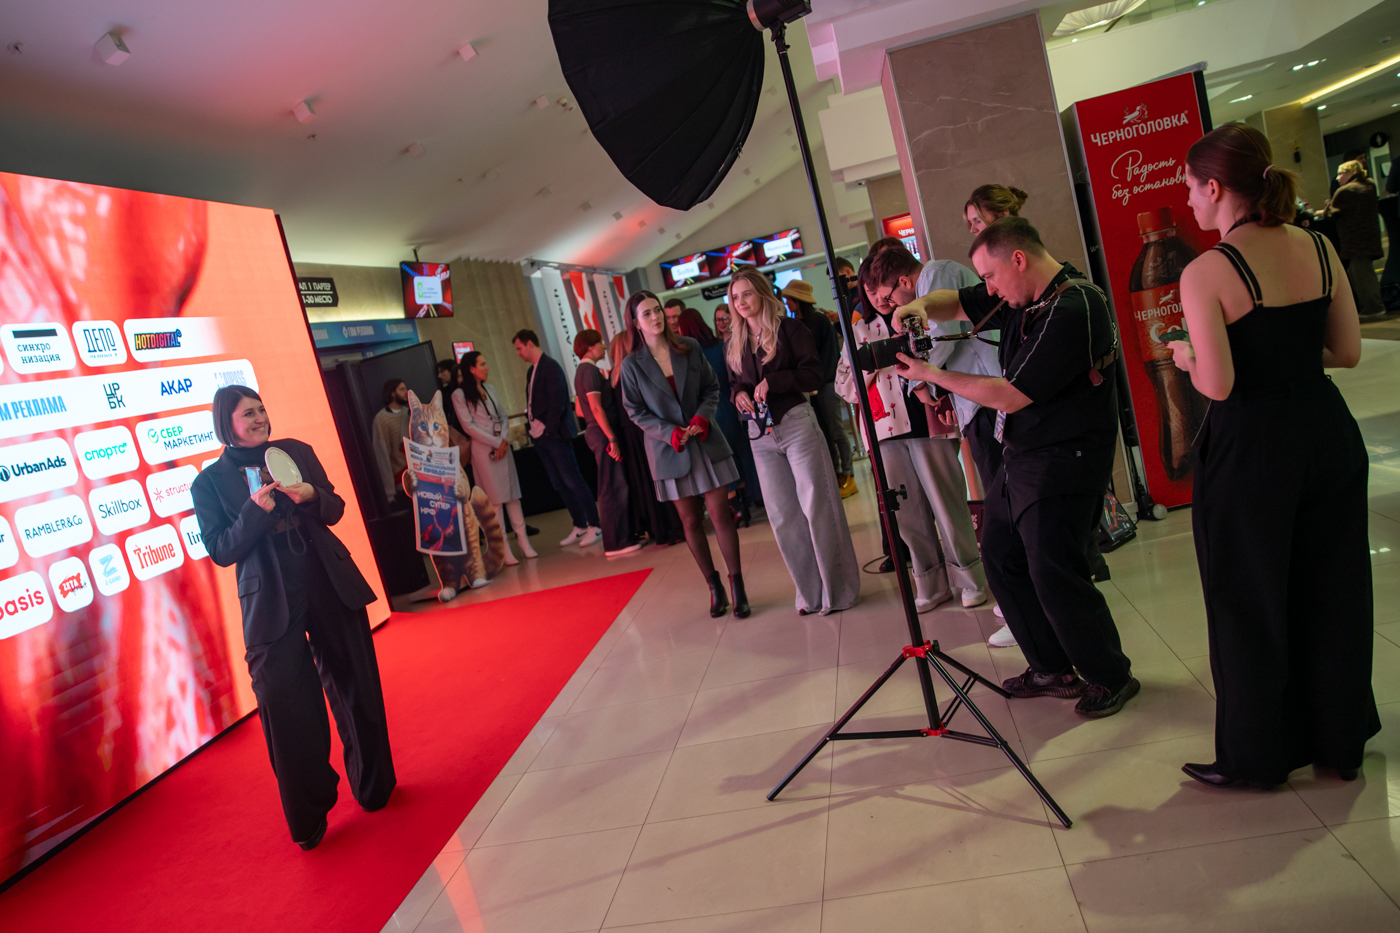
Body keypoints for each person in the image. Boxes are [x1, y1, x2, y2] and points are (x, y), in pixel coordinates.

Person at [1167, 123, 1376, 788]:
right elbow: (1347, 351)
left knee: (1248, 598)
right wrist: (1283, 354)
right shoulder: (1318, 245)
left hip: (1253, 448)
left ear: (1215, 187)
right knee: (1336, 590)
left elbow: (1219, 384)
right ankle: (1340, 742)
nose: (1188, 201)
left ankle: (1257, 757)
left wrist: (1187, 357)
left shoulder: (1207, 271)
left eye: (1190, 187)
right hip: (1326, 433)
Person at [893, 216, 1138, 718]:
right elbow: (958, 302)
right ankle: (1051, 667)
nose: (988, 287)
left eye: (990, 275)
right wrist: (919, 306)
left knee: (1054, 570)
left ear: (1019, 260)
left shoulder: (1073, 307)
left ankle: (1111, 675)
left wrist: (932, 374)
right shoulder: (1022, 297)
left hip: (1065, 458)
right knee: (1002, 555)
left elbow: (1011, 394)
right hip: (1023, 452)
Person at [191, 386, 395, 850]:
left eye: (262, 409)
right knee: (285, 705)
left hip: (328, 579)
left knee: (356, 684)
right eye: (248, 413)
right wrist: (253, 512)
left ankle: (374, 785)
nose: (260, 418)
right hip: (269, 599)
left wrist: (312, 495)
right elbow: (221, 550)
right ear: (227, 423)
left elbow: (335, 508)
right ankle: (310, 813)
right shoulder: (209, 483)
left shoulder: (296, 451)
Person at [838, 245, 989, 612]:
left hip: (928, 420)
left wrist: (917, 376)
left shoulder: (916, 308)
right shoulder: (858, 329)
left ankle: (970, 578)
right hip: (885, 429)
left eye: (883, 290)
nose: (880, 299)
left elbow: (938, 350)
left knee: (947, 503)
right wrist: (875, 363)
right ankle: (930, 583)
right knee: (907, 514)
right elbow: (844, 386)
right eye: (871, 292)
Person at [728, 268, 861, 615]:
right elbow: (735, 382)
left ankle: (839, 591)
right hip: (759, 434)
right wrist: (738, 393)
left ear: (761, 293)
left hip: (796, 422)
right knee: (783, 516)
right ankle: (810, 595)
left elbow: (814, 375)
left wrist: (775, 382)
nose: (740, 302)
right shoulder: (736, 341)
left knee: (818, 505)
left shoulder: (790, 329)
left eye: (746, 294)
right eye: (735, 297)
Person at [619, 292, 749, 617]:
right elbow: (634, 411)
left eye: (657, 310)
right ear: (635, 322)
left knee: (720, 514)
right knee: (691, 521)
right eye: (647, 314)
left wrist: (704, 416)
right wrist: (669, 433)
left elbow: (712, 388)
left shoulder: (688, 346)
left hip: (705, 441)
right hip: (669, 450)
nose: (655, 317)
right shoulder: (631, 365)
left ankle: (737, 585)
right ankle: (714, 585)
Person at [513, 329, 602, 547]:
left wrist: (548, 430)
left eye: (519, 348)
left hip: (554, 435)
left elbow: (558, 401)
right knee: (559, 483)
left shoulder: (550, 367)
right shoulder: (531, 371)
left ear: (530, 344)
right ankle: (580, 524)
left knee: (573, 480)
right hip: (541, 438)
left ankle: (595, 524)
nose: (518, 353)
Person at [675, 307, 761, 526]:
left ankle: (737, 510)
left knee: (722, 462)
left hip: (709, 413)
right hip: (732, 406)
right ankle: (749, 501)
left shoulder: (688, 355)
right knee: (742, 454)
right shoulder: (720, 346)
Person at [453, 351, 537, 564]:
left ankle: (524, 542)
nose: (487, 367)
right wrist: (495, 442)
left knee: (513, 496)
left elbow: (502, 416)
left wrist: (502, 440)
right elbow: (468, 426)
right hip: (483, 451)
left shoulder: (490, 389)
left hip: (502, 448)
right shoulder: (459, 395)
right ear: (471, 368)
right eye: (482, 364)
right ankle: (503, 549)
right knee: (496, 501)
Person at [609, 327, 688, 547]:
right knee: (661, 478)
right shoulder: (634, 371)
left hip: (629, 435)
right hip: (646, 430)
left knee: (645, 483)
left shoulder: (613, 376)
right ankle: (675, 526)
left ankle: (659, 529)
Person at [781, 279, 857, 499]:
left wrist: (815, 383)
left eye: (789, 298)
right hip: (810, 389)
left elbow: (830, 355)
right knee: (822, 434)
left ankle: (849, 475)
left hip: (826, 386)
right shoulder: (794, 323)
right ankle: (835, 476)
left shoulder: (820, 321)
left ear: (798, 300)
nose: (786, 302)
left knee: (836, 432)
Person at [573, 330, 644, 557]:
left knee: (613, 484)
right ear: (590, 347)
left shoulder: (582, 372)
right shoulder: (590, 371)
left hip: (597, 432)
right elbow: (595, 407)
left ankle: (621, 537)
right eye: (600, 343)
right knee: (612, 486)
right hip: (602, 434)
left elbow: (580, 409)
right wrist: (611, 437)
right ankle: (616, 543)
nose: (604, 347)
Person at [1323, 159, 1386, 320]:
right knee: (1366, 273)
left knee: (1361, 276)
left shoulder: (1346, 190)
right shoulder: (1369, 185)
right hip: (1369, 238)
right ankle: (1373, 306)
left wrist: (1327, 206)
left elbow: (1331, 214)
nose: (1337, 178)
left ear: (1351, 172)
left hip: (1354, 241)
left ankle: (1373, 308)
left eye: (1340, 174)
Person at [371, 378, 410, 506]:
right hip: (401, 480)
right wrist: (389, 493)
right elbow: (382, 456)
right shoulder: (382, 419)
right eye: (402, 389)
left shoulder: (409, 413)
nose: (406, 392)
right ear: (393, 393)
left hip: (420, 474)